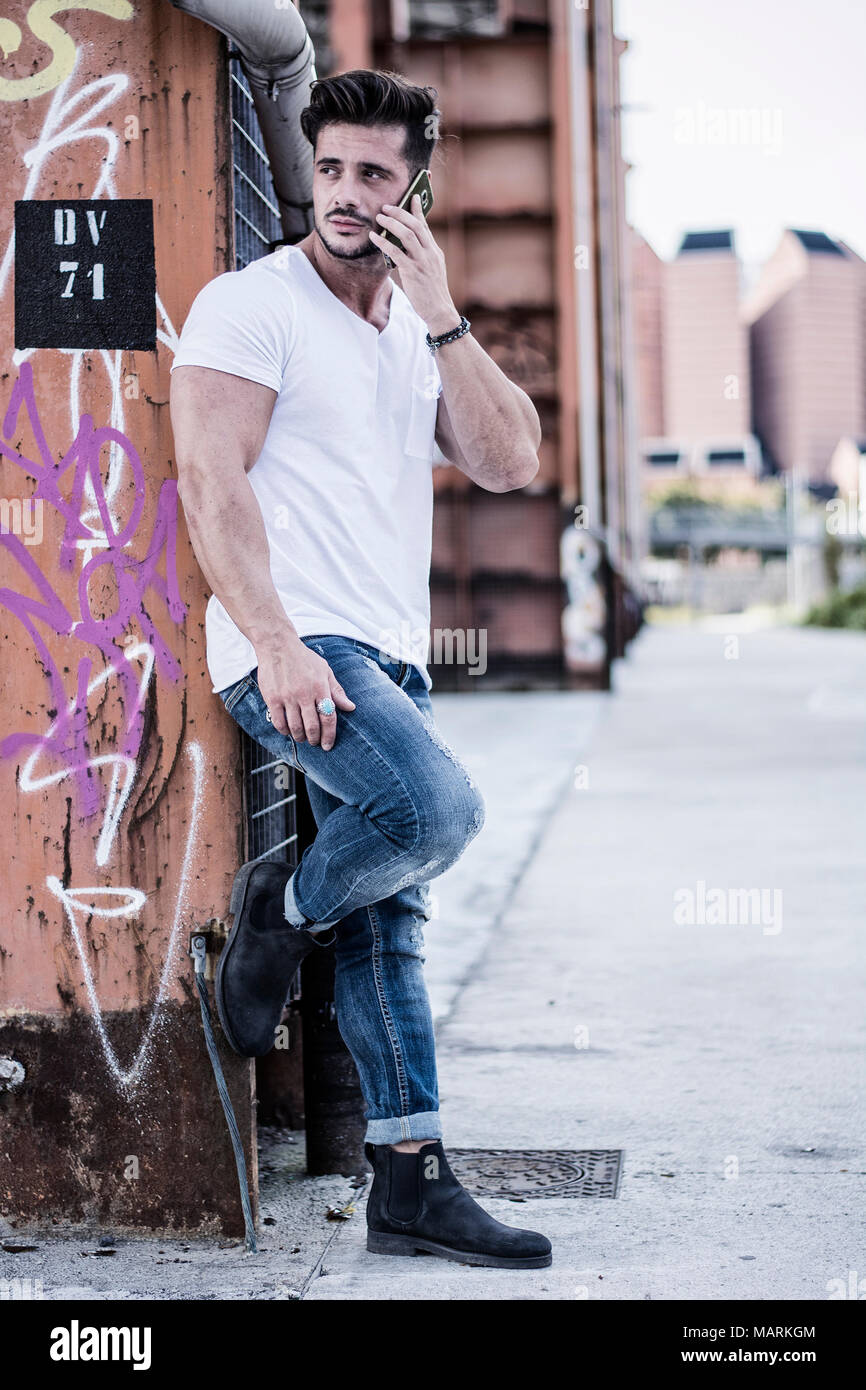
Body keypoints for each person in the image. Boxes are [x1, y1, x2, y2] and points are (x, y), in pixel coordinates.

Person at [169, 68, 550, 1270]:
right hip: (291, 644)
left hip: (387, 654)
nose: (345, 194)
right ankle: (278, 910)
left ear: (413, 190)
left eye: (373, 175)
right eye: (329, 168)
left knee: (392, 921)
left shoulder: (412, 334)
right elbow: (210, 481)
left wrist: (440, 313)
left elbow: (510, 462)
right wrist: (276, 643)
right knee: (436, 810)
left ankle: (409, 1180)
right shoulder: (253, 303)